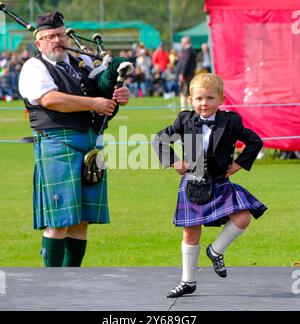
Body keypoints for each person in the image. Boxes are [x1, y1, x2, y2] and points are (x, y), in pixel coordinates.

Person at [18, 11, 130, 267]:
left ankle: (72, 278)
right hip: (58, 146)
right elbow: (50, 99)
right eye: (50, 37)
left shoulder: (82, 64)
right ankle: (53, 281)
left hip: (91, 147)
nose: (57, 40)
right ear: (39, 42)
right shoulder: (34, 67)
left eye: (60, 34)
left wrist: (121, 94)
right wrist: (94, 103)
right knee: (60, 222)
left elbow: (104, 91)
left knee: (81, 222)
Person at [153, 73, 267, 298]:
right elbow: (159, 138)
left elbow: (255, 141)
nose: (204, 103)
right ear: (190, 100)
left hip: (221, 181)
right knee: (190, 233)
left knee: (243, 217)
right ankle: (188, 282)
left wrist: (239, 164)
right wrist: (175, 161)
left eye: (210, 98)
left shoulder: (231, 122)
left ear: (221, 99)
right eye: (199, 98)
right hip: (193, 182)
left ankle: (215, 251)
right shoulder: (184, 120)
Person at [177, 36, 197, 110]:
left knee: (184, 93)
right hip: (190, 74)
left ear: (185, 42)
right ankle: (190, 109)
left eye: (182, 42)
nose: (181, 44)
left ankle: (184, 110)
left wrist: (182, 73)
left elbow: (185, 63)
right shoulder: (192, 50)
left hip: (186, 75)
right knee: (189, 92)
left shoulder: (188, 50)